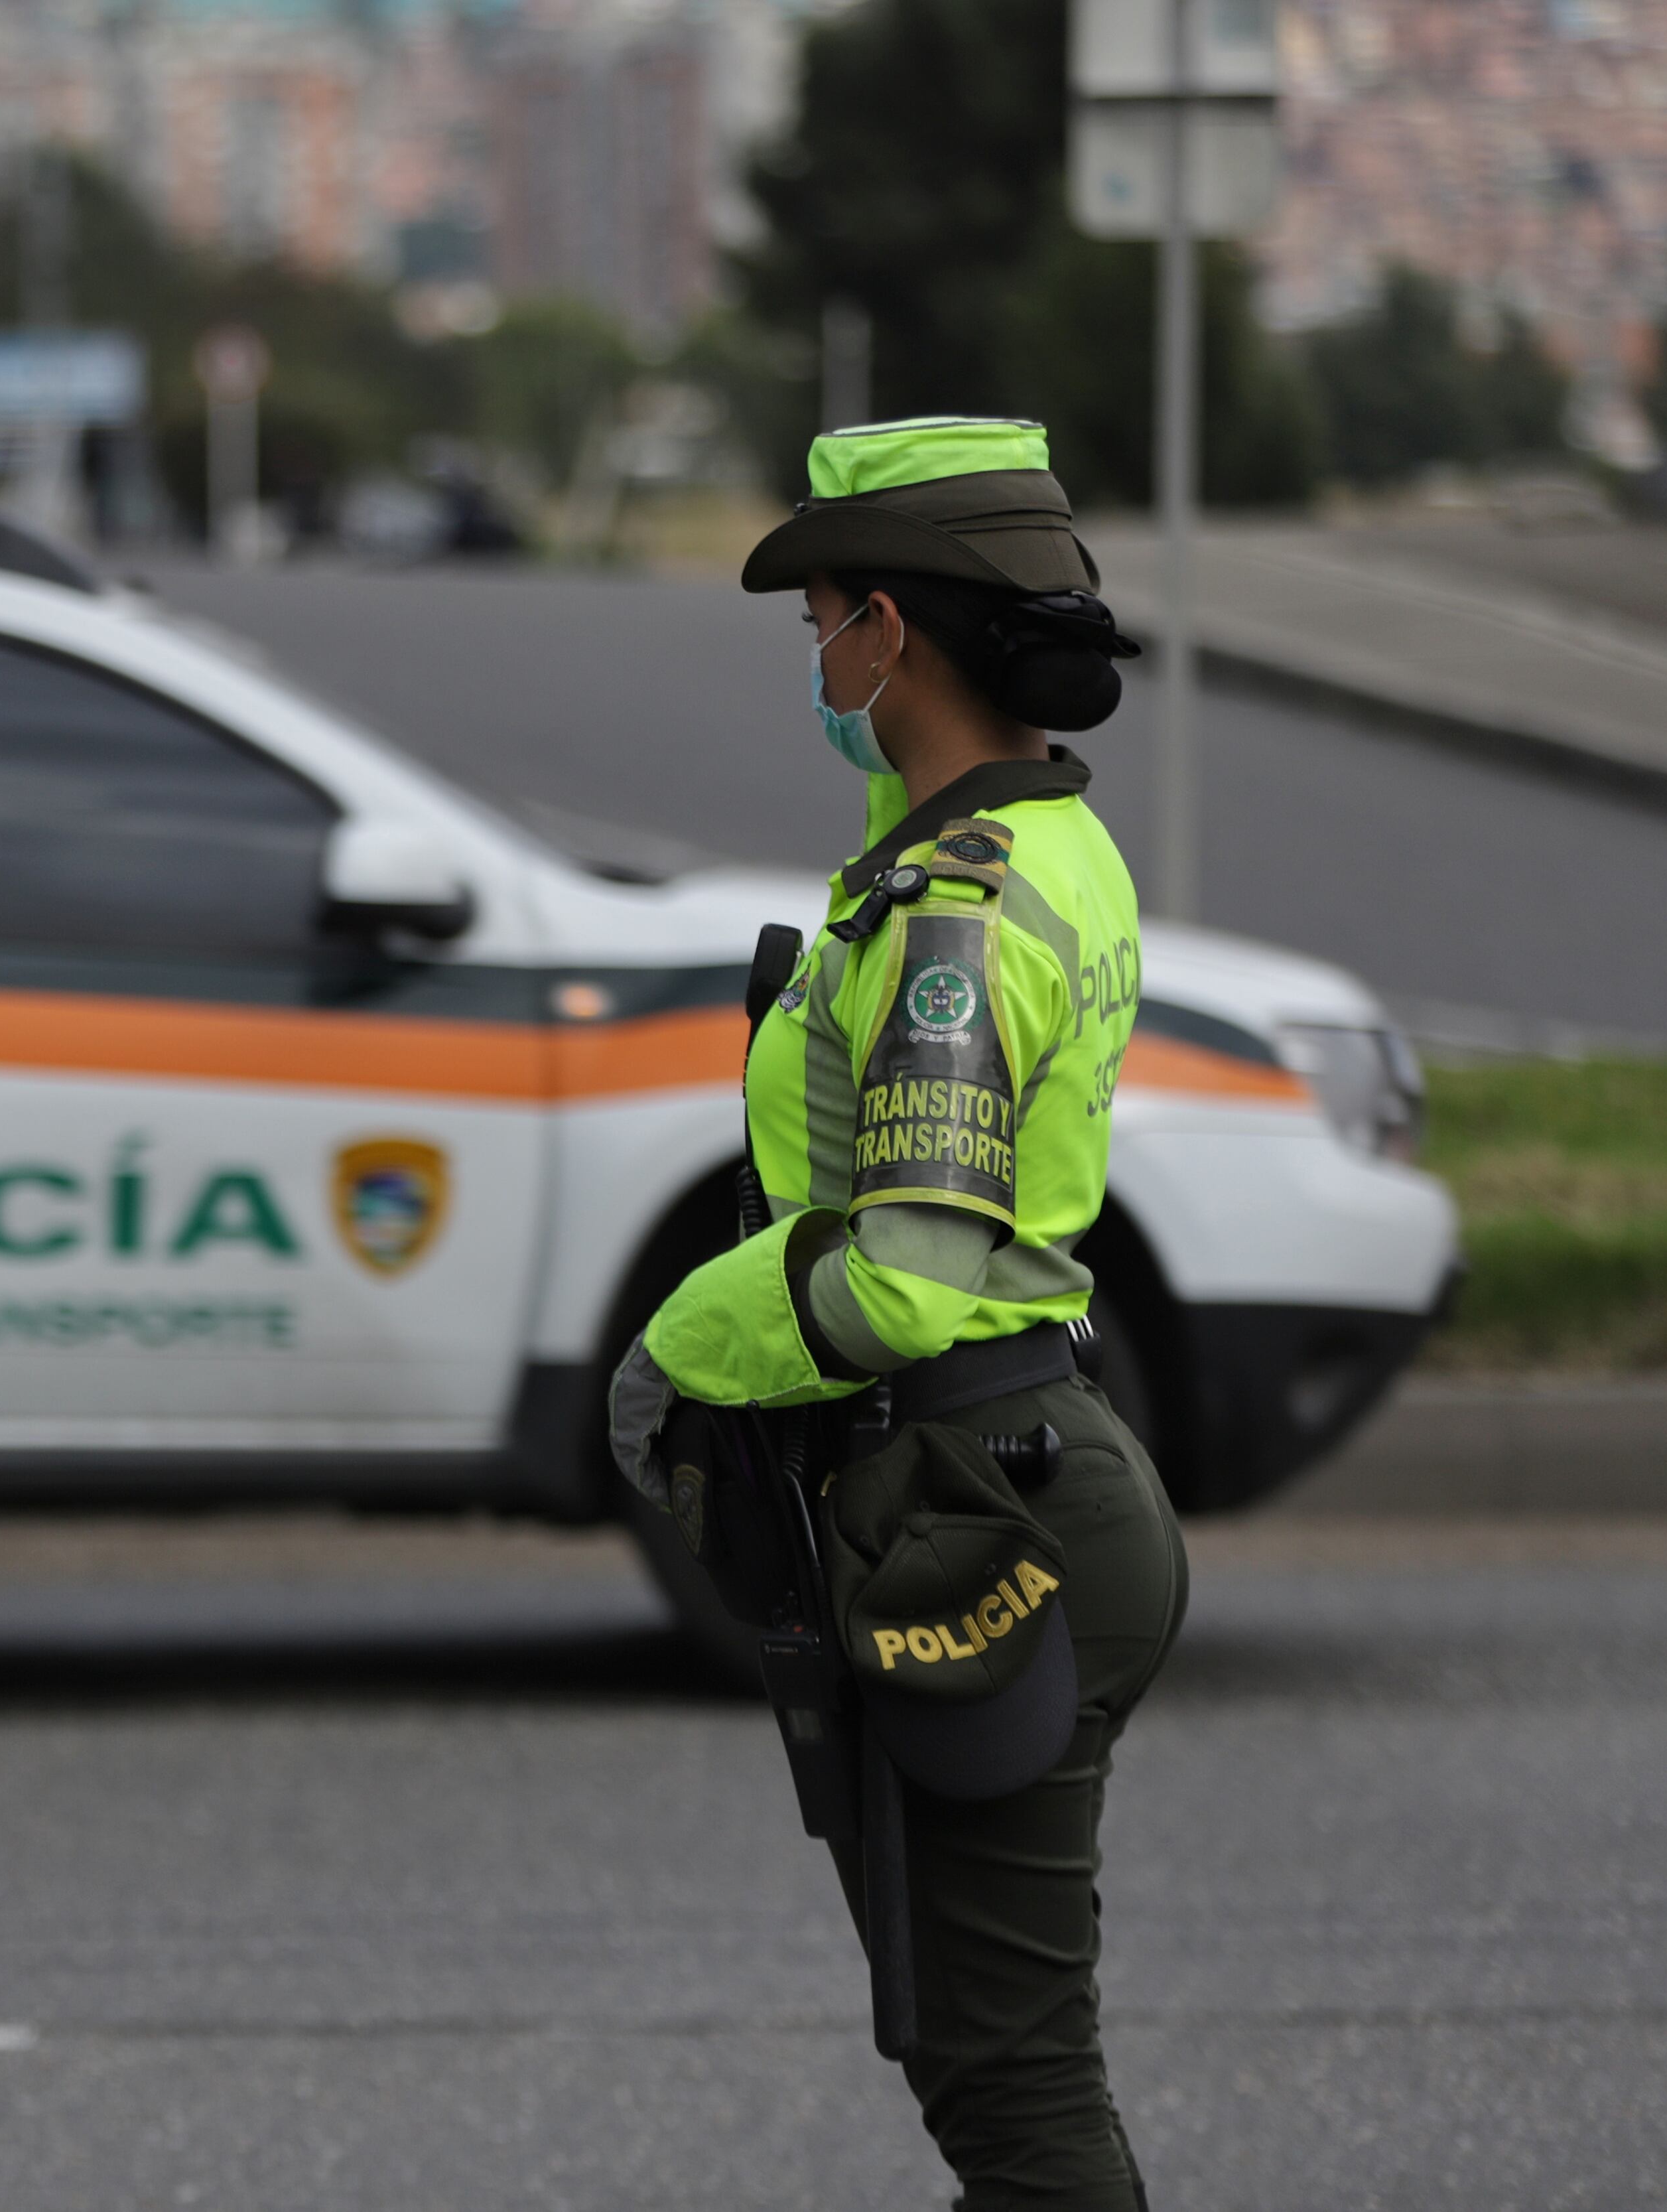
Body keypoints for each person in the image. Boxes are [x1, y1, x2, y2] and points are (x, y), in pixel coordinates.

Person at [608, 416, 1191, 2212]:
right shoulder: (1032, 845)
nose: (816, 662)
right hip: (1022, 1470)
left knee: (1015, 2108)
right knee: (982, 2072)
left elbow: (908, 1274)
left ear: (891, 637)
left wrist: (684, 1346)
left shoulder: (952, 922)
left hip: (973, 1508)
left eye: (824, 626)